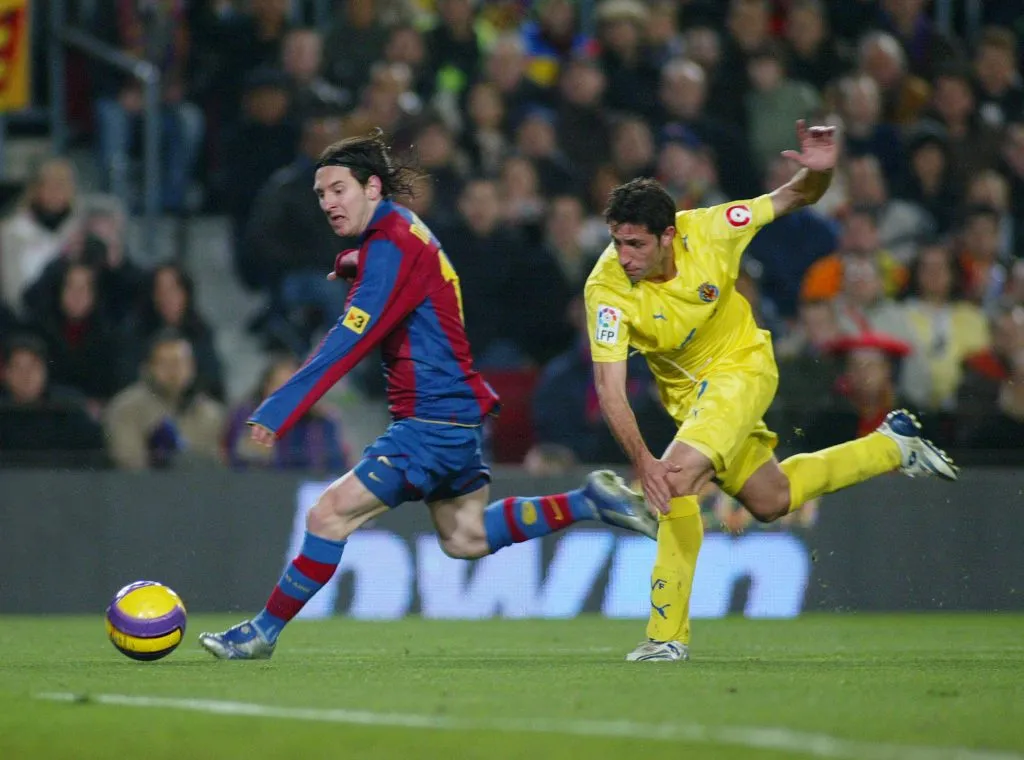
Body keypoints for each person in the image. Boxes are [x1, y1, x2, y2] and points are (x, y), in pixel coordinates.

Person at [199, 128, 655, 660]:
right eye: (321, 193)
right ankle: (587, 500)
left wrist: (280, 406)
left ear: (372, 187)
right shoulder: (400, 231)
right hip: (455, 414)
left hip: (429, 421)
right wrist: (354, 263)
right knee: (466, 537)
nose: (328, 203)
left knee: (328, 515)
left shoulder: (388, 246)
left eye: (339, 190)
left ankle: (261, 633)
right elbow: (416, 274)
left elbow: (348, 339)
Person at [584, 120, 958, 663]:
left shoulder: (712, 229)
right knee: (770, 499)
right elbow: (609, 388)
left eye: (636, 244)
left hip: (743, 368)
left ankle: (666, 637)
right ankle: (892, 446)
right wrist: (641, 461)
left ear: (669, 235)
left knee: (677, 479)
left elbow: (794, 196)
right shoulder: (607, 289)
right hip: (692, 402)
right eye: (617, 243)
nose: (624, 256)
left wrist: (820, 173)